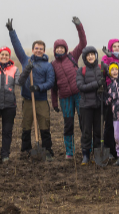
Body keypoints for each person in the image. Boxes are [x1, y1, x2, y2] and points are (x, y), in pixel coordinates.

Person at [6, 19, 56, 160]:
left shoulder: (48, 66)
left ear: (44, 51)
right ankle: (26, 150)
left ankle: (47, 150)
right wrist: (11, 31)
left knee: (44, 125)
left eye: (41, 49)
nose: (38, 50)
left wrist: (39, 87)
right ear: (33, 49)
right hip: (27, 100)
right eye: (36, 48)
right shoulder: (25, 60)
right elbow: (17, 46)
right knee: (26, 125)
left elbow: (51, 82)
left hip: (41, 100)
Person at [51, 16, 87, 159]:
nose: (60, 50)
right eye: (57, 48)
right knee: (68, 125)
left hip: (79, 94)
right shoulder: (52, 65)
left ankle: (87, 149)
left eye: (62, 47)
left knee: (83, 123)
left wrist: (79, 26)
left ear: (65, 48)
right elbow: (53, 86)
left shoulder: (73, 56)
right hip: (65, 98)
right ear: (55, 50)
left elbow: (83, 43)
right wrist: (54, 102)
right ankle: (69, 152)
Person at [101, 40, 119, 159]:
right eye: (115, 46)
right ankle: (109, 149)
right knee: (109, 123)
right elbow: (105, 72)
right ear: (110, 47)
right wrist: (109, 59)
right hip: (111, 93)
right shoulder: (105, 58)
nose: (117, 48)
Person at [76, 46, 105, 165]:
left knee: (98, 132)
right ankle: (86, 156)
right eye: (88, 55)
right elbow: (81, 87)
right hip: (86, 106)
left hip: (99, 105)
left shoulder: (102, 68)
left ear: (96, 55)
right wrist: (97, 84)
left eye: (92, 54)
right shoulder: (81, 70)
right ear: (85, 58)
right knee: (86, 132)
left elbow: (114, 74)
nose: (91, 56)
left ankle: (97, 156)